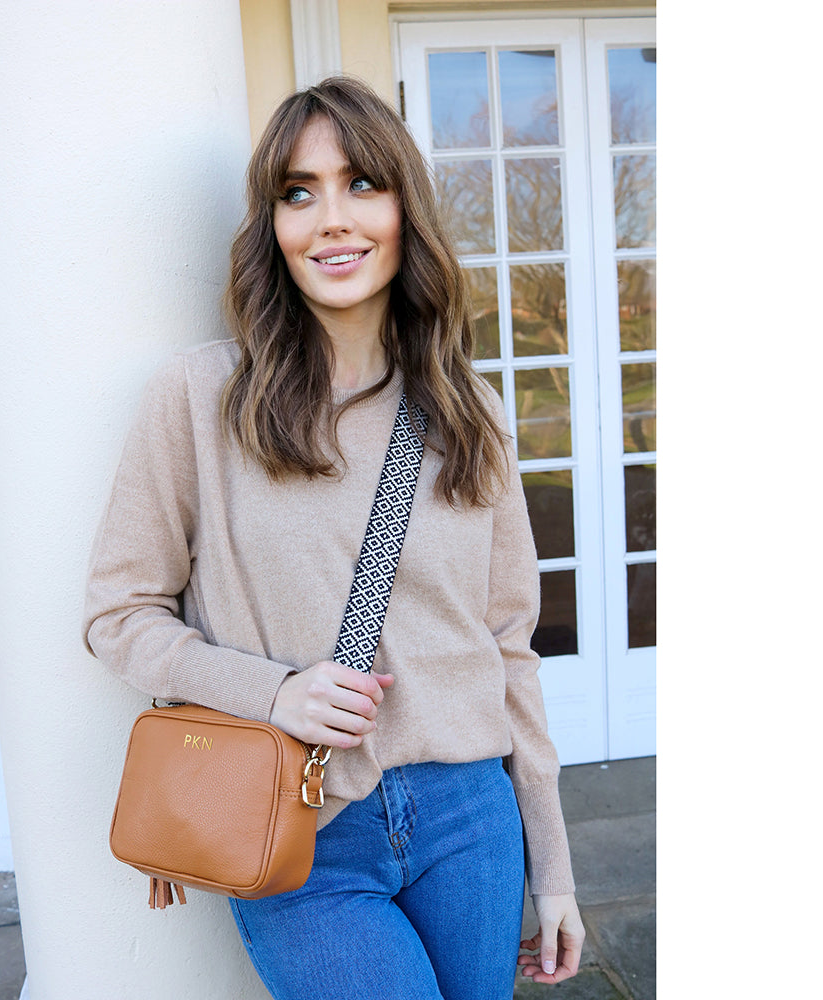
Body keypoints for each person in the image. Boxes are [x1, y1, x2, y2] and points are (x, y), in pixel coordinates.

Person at [83, 75, 584, 1000]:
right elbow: (119, 615)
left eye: (361, 184)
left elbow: (510, 648)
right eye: (298, 192)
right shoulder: (200, 398)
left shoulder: (469, 412)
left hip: (470, 819)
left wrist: (551, 866)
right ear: (273, 225)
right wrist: (274, 692)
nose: (331, 220)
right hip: (297, 824)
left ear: (404, 210)